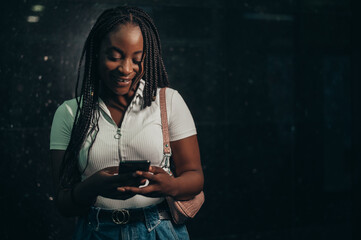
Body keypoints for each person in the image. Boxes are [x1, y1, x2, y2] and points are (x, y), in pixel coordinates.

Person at [49, 6, 203, 240]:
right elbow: (63, 203)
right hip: (96, 232)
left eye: (137, 59)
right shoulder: (69, 113)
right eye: (114, 56)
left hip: (159, 230)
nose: (126, 69)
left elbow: (195, 176)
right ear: (97, 53)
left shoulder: (169, 101)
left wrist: (169, 186)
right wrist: (93, 186)